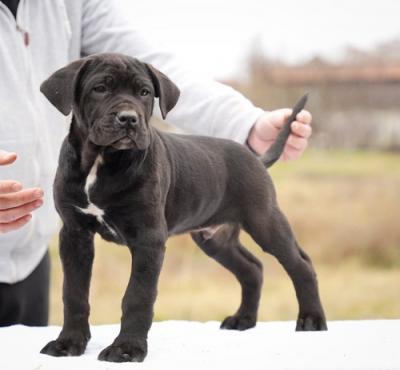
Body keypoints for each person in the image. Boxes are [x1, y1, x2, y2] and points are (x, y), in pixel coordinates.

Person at [0, 0, 312, 326]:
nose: (128, 112)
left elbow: (151, 66)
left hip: (28, 258)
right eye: (102, 89)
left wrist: (246, 123)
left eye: (141, 97)